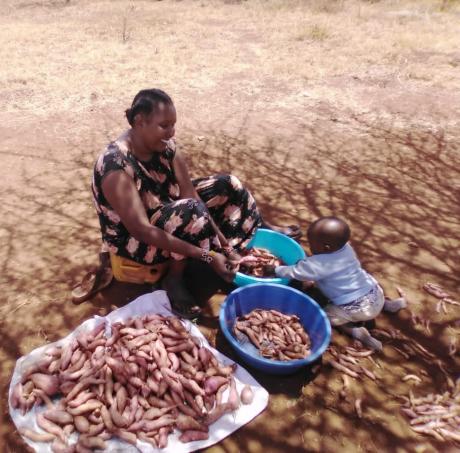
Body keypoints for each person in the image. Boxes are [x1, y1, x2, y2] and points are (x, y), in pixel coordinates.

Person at [89, 88, 299, 316]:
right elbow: (142, 230)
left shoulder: (166, 147)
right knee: (190, 212)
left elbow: (190, 194)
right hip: (135, 241)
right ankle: (174, 279)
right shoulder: (115, 167)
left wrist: (225, 246)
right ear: (140, 122)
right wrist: (207, 257)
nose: (171, 132)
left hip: (165, 209)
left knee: (228, 184)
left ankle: (239, 244)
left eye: (173, 125)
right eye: (164, 125)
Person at [274, 216, 406, 350]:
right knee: (369, 291)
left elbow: (296, 272)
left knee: (327, 315)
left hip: (355, 308)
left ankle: (357, 332)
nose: (310, 247)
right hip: (375, 293)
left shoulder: (320, 264)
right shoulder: (346, 248)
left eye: (312, 244)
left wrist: (276, 269)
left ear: (326, 247)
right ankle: (389, 305)